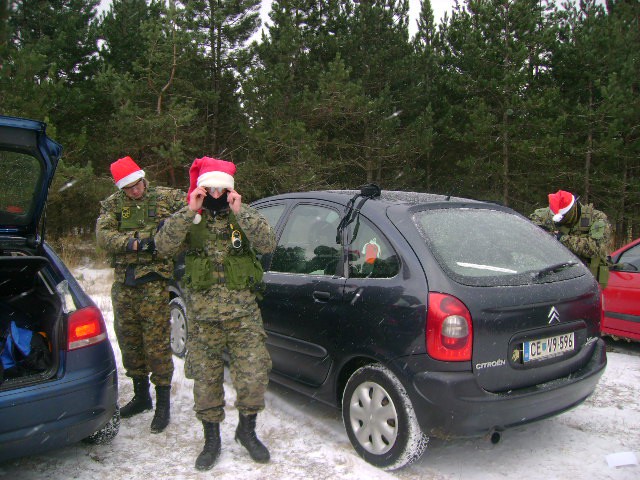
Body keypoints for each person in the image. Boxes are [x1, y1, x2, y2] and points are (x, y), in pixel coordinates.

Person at [154, 156, 275, 471]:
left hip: (244, 317)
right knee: (206, 381)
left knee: (253, 376)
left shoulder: (242, 216)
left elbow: (267, 242)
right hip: (203, 318)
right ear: (203, 188)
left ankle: (246, 432)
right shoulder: (191, 218)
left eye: (223, 188)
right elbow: (163, 246)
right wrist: (189, 210)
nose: (217, 194)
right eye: (211, 188)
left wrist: (242, 211)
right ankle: (212, 439)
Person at [96, 156, 186, 434]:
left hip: (153, 284)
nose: (135, 191)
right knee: (129, 341)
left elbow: (193, 210)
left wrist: (170, 227)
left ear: (144, 178)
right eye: (129, 188)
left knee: (157, 343)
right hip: (124, 284)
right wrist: (136, 243)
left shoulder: (166, 197)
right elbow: (103, 236)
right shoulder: (113, 205)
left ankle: (162, 405)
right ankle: (141, 396)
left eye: (138, 185)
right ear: (121, 188)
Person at [530, 189, 612, 286]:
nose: (557, 221)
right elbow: (529, 228)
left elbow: (596, 248)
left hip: (587, 277)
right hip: (554, 275)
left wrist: (561, 238)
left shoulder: (597, 218)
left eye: (562, 217)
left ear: (572, 210)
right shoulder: (545, 214)